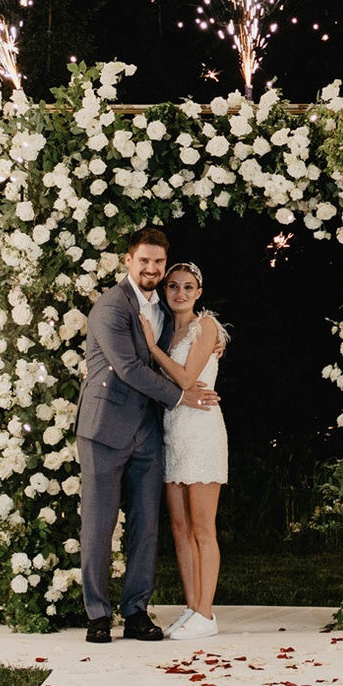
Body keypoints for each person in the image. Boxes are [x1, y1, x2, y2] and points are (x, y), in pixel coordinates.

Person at [73, 226, 219, 643]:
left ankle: (136, 610)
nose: (152, 269)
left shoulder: (161, 308)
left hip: (148, 432)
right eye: (145, 261)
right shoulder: (110, 307)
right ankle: (98, 614)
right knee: (100, 525)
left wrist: (212, 344)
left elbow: (181, 347)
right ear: (128, 261)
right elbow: (130, 369)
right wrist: (181, 397)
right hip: (104, 428)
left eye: (158, 262)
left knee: (146, 526)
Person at [140, 261, 227, 639]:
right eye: (173, 286)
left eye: (188, 287)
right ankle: (193, 609)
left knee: (203, 528)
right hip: (173, 430)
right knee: (180, 528)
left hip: (202, 428)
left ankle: (207, 614)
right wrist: (154, 344)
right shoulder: (166, 330)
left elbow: (187, 378)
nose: (179, 293)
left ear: (199, 292)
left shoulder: (206, 326)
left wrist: (149, 349)